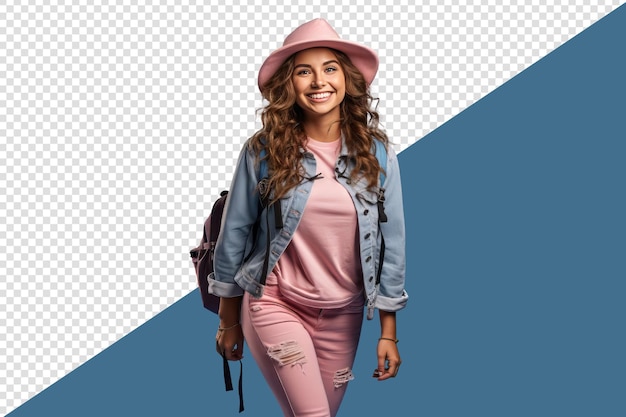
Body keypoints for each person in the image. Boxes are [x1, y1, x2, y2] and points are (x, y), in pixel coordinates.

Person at [208, 18, 408, 417]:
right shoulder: (263, 151)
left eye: (330, 68)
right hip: (275, 302)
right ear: (289, 84)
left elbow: (392, 242)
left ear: (347, 79)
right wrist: (228, 320)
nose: (319, 81)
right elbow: (234, 232)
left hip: (345, 314)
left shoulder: (378, 154)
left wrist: (389, 332)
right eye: (304, 71)